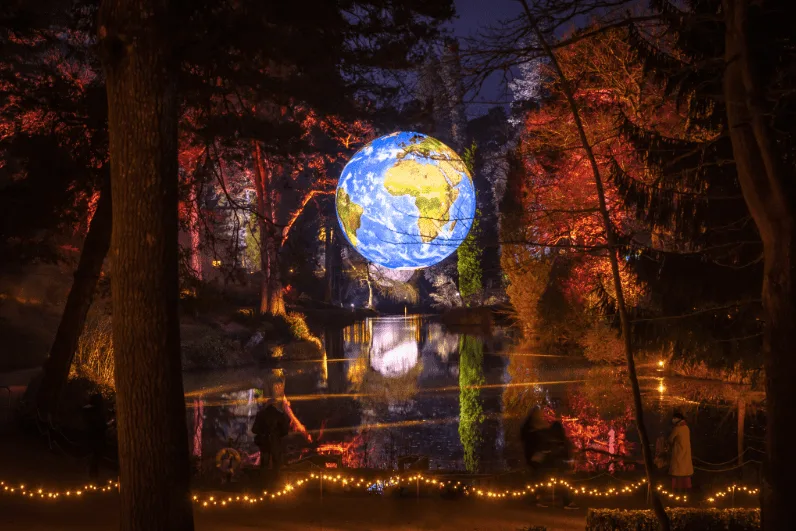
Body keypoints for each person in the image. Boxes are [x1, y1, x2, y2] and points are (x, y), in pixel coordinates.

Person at [521, 407, 578, 510]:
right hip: (544, 461)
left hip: (546, 461)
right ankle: (542, 499)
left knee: (545, 479)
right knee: (544, 479)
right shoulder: (537, 432)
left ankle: (540, 498)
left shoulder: (543, 432)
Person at [252, 399, 289, 483]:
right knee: (277, 463)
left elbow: (254, 429)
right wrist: (277, 435)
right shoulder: (280, 415)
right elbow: (285, 431)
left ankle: (263, 482)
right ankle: (277, 482)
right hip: (275, 442)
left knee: (264, 463)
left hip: (264, 442)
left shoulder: (260, 414)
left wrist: (262, 433)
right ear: (275, 405)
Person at [82, 393, 108, 480]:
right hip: (96, 436)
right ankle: (92, 474)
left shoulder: (89, 410)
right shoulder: (95, 411)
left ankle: (93, 473)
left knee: (94, 456)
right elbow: (100, 425)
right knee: (95, 456)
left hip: (92, 436)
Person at [668, 411, 693, 493]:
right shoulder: (686, 428)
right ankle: (686, 492)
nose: (673, 419)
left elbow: (670, 439)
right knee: (685, 473)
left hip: (678, 452)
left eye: (674, 418)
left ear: (678, 419)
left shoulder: (677, 428)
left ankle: (675, 491)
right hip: (686, 452)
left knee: (677, 473)